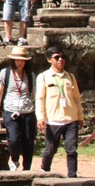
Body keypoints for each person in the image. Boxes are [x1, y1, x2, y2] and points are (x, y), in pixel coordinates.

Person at [35, 46, 83, 178]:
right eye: (57, 57)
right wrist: (40, 117)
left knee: (71, 149)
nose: (60, 60)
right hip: (52, 119)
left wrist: (80, 116)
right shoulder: (43, 77)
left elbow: (76, 98)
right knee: (50, 149)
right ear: (49, 60)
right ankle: (45, 170)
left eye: (62, 57)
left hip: (70, 118)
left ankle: (72, 176)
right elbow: (39, 98)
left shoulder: (70, 77)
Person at [0, 46, 36, 171]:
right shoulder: (5, 73)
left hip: (27, 110)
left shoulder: (30, 75)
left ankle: (27, 167)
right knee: (13, 139)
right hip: (10, 110)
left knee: (28, 141)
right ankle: (15, 160)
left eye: (22, 60)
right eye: (17, 60)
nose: (19, 63)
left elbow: (34, 93)